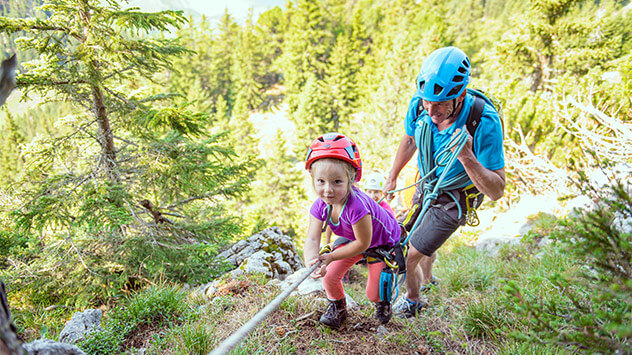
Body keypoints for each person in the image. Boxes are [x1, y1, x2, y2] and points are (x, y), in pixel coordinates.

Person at [383, 46, 505, 318]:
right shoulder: (421, 103)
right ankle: (427, 280)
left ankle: (412, 300)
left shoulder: (483, 121)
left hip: (455, 199)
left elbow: (497, 189)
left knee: (408, 253)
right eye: (427, 102)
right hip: (425, 185)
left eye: (440, 105)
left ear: (460, 95)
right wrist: (392, 176)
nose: (431, 110)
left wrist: (467, 157)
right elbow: (411, 139)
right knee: (420, 240)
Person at [303, 132, 402, 328]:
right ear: (313, 179)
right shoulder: (320, 205)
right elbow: (312, 239)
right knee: (330, 277)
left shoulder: (357, 206)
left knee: (372, 294)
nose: (328, 190)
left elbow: (363, 244)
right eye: (320, 181)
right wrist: (311, 261)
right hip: (354, 238)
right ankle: (338, 308)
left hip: (381, 242)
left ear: (351, 179)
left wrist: (331, 257)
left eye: (337, 182)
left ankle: (382, 301)